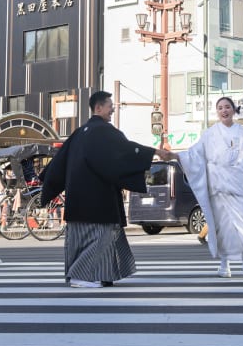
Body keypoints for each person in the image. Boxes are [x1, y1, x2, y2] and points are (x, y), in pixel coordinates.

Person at [40, 90, 169, 288]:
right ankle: (81, 276)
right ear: (98, 108)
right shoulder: (104, 132)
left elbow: (58, 164)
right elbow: (127, 151)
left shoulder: (78, 133)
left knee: (80, 240)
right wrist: (154, 152)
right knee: (103, 237)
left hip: (77, 201)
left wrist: (47, 183)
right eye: (110, 107)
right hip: (98, 200)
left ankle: (98, 275)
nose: (112, 111)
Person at [167, 96, 243, 279]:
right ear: (217, 112)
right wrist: (177, 156)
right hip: (218, 190)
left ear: (233, 110)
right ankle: (225, 264)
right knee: (221, 230)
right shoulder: (209, 134)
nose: (224, 110)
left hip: (239, 189)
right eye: (220, 108)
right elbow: (194, 153)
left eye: (227, 107)